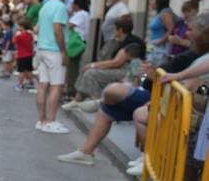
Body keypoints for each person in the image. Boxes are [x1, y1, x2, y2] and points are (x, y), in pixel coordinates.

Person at [58, 19, 209, 169]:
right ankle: (86, 151)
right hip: (160, 94)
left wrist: (160, 77)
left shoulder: (195, 56)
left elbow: (195, 85)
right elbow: (166, 76)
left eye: (192, 30)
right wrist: (156, 75)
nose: (187, 33)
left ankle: (150, 159)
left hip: (169, 100)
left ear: (203, 36)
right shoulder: (192, 53)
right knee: (109, 106)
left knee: (116, 95)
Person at [64, 15, 142, 111]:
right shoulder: (120, 41)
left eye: (115, 29)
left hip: (125, 72)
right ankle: (78, 100)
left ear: (120, 30)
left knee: (91, 73)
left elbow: (116, 63)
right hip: (121, 69)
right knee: (87, 70)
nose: (114, 32)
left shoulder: (130, 42)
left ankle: (95, 101)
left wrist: (93, 65)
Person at [33, 0, 72, 133]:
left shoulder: (46, 5)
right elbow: (58, 29)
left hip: (42, 48)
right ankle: (50, 121)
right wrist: (63, 51)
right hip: (54, 51)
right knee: (57, 85)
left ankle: (41, 120)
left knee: (43, 85)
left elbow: (37, 28)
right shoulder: (61, 7)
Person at [12, 17, 37, 92]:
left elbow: (13, 41)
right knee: (29, 70)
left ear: (22, 26)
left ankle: (20, 84)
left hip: (21, 55)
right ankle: (32, 82)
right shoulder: (30, 34)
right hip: (29, 55)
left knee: (21, 71)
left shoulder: (19, 35)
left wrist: (16, 34)